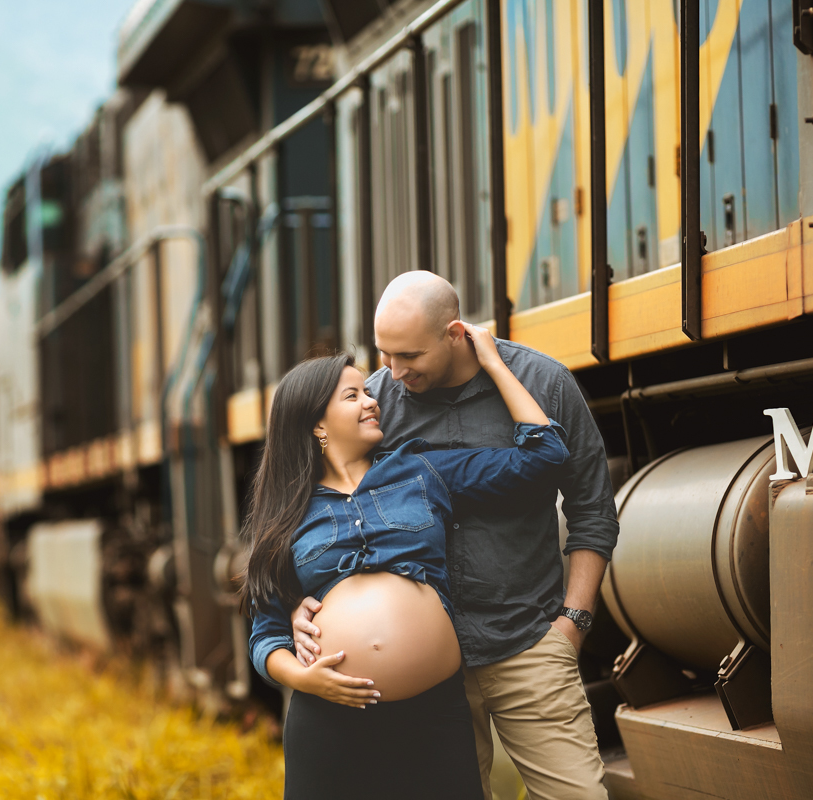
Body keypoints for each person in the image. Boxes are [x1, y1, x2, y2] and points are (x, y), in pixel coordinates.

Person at [291, 272, 619, 800]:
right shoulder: (373, 403)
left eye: (410, 356)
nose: (392, 374)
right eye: (384, 354)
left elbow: (593, 512)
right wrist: (302, 603)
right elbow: (319, 511)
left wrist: (572, 625)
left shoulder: (544, 383)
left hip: (527, 641)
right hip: (428, 677)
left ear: (453, 333)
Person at [243, 326, 568, 800]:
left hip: (432, 717)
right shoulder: (286, 512)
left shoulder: (421, 468)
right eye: (353, 395)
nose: (373, 401)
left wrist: (496, 364)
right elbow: (265, 632)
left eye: (368, 393)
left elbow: (544, 456)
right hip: (330, 721)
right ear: (316, 424)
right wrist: (305, 679)